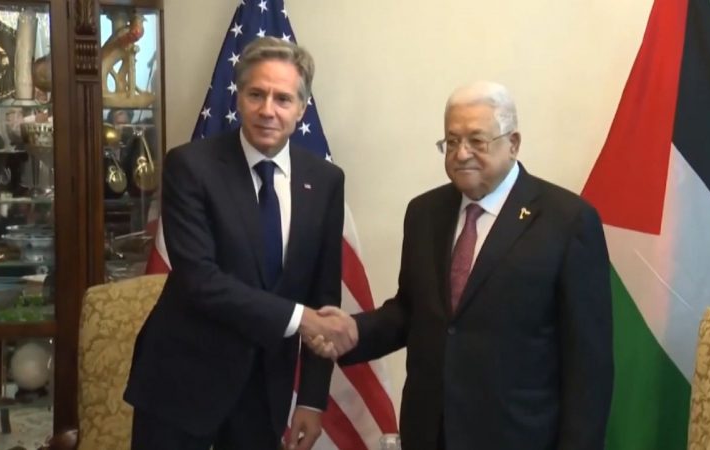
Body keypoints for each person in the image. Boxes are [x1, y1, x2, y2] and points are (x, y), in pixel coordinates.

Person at [310, 81, 613, 449]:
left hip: (518, 436)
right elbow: (413, 311)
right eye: (451, 142)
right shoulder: (424, 213)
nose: (461, 153)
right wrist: (356, 331)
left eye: (476, 141)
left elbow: (588, 363)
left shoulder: (567, 220)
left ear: (513, 143)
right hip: (430, 433)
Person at [124, 37, 356, 450]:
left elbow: (323, 295)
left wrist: (312, 399)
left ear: (302, 109)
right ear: (238, 98)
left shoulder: (325, 181)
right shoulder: (190, 166)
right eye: (256, 94)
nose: (268, 110)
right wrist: (301, 319)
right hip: (182, 384)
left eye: (283, 99)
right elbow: (200, 280)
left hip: (265, 392)